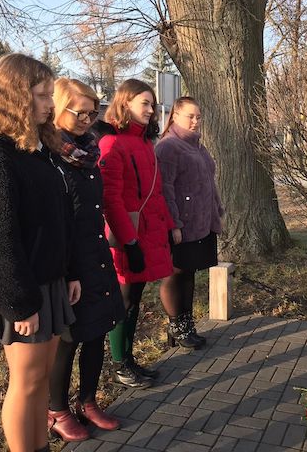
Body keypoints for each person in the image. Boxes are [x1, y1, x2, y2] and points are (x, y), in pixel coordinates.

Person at [0, 54, 78, 452]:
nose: (51, 104)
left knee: (41, 380)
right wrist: (19, 303)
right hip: (21, 288)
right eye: (42, 95)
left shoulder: (37, 150)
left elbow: (59, 219)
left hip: (50, 281)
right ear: (15, 96)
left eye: (50, 94)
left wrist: (70, 272)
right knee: (26, 382)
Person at [47, 78, 126, 441]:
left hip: (96, 254)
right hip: (70, 261)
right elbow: (55, 221)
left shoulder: (88, 153)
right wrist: (68, 271)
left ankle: (88, 401)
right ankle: (57, 410)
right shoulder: (50, 157)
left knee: (98, 329)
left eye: (93, 113)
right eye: (80, 112)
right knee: (69, 338)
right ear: (57, 108)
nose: (87, 120)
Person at [98, 79, 175, 388]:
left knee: (135, 297)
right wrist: (129, 242)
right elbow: (111, 199)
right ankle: (119, 363)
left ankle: (128, 359)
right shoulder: (112, 143)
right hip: (127, 235)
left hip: (147, 233)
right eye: (144, 103)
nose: (151, 109)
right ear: (124, 103)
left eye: (152, 104)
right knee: (124, 299)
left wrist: (167, 228)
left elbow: (155, 194)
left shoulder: (144, 143)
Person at [156, 96, 224, 349]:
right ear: (175, 116)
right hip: (181, 224)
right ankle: (176, 326)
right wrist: (174, 223)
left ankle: (187, 324)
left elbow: (209, 183)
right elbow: (165, 188)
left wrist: (217, 210)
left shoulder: (197, 146)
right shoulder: (168, 146)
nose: (195, 121)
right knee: (175, 273)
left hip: (201, 223)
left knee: (189, 273)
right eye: (190, 116)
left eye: (198, 116)